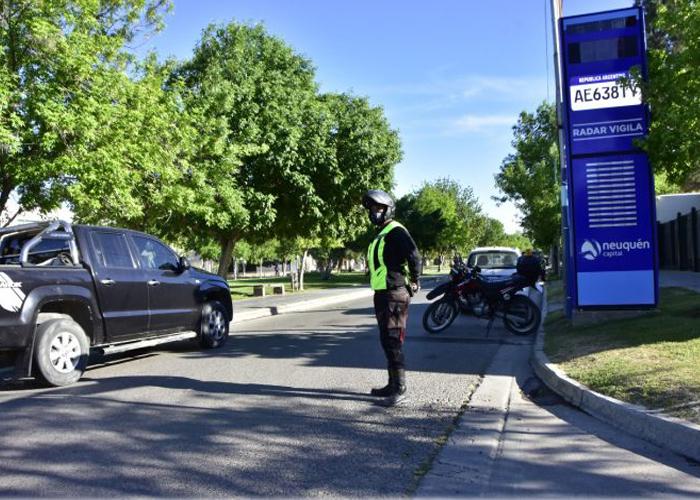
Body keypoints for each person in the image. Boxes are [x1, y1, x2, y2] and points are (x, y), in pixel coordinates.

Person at [362, 189, 421, 406]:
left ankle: (400, 389)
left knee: (393, 340)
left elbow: (414, 254)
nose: (374, 212)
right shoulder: (382, 232)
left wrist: (415, 278)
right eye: (372, 209)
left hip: (395, 293)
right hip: (382, 294)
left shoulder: (397, 231)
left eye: (378, 208)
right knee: (386, 341)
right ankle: (391, 384)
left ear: (389, 209)